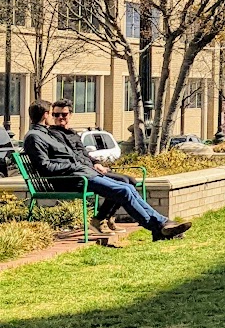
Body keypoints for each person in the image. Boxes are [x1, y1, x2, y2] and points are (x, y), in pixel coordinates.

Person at [22, 102, 190, 242]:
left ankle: (162, 224)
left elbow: (73, 155)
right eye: (52, 114)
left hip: (82, 173)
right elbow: (45, 167)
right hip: (71, 179)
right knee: (123, 190)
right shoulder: (35, 137)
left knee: (128, 187)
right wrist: (73, 165)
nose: (55, 117)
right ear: (45, 114)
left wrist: (86, 164)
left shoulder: (46, 134)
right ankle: (158, 228)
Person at [47, 100, 139, 234]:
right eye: (56, 115)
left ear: (70, 115)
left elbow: (84, 153)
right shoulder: (54, 135)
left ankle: (108, 219)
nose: (60, 118)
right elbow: (71, 157)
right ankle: (99, 220)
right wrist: (91, 167)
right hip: (81, 174)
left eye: (64, 114)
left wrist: (96, 163)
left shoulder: (73, 133)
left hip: (90, 169)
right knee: (123, 182)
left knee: (131, 180)